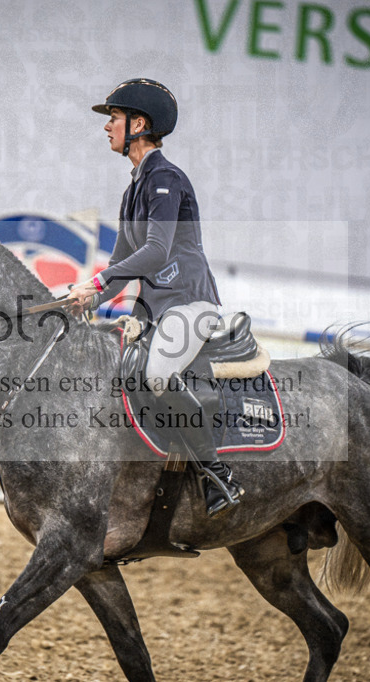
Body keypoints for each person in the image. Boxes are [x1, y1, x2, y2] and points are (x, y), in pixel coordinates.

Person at [67, 78, 243, 517]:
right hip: (155, 312)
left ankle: (217, 473)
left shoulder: (165, 179)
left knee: (158, 373)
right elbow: (120, 262)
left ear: (138, 124)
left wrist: (99, 279)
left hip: (188, 304)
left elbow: (157, 252)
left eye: (114, 118)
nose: (107, 127)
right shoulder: (133, 190)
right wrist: (87, 296)